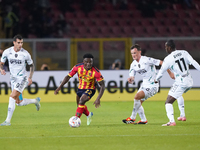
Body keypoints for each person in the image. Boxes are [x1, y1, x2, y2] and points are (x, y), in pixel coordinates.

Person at [122, 44, 174, 124]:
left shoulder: (147, 60)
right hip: (144, 85)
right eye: (132, 53)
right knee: (138, 103)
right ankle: (143, 120)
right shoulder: (133, 64)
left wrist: (170, 73)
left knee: (136, 97)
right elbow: (132, 77)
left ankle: (132, 118)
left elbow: (162, 63)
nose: (133, 55)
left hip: (153, 85)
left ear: (140, 52)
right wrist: (130, 79)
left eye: (135, 53)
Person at [155, 39, 200, 126]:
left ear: (169, 47)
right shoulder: (184, 52)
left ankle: (171, 121)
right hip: (189, 80)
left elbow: (161, 71)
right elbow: (194, 63)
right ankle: (182, 115)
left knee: (168, 102)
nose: (165, 49)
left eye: (166, 47)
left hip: (181, 82)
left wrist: (156, 79)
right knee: (177, 94)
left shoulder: (168, 59)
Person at [0, 34, 41, 126]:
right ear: (14, 42)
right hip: (13, 79)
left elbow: (31, 65)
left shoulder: (25, 53)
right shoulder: (7, 52)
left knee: (12, 97)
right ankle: (35, 101)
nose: (20, 44)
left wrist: (30, 77)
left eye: (21, 43)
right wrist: (1, 69)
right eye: (18, 42)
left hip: (22, 79)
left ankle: (7, 121)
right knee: (19, 102)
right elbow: (1, 63)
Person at [54, 53, 105, 125]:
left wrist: (98, 98)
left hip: (91, 89)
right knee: (80, 105)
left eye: (90, 62)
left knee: (81, 101)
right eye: (86, 62)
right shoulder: (77, 67)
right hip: (80, 89)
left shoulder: (95, 72)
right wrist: (59, 87)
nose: (88, 64)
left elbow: (102, 85)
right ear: (83, 62)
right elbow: (68, 76)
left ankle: (75, 120)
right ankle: (89, 115)